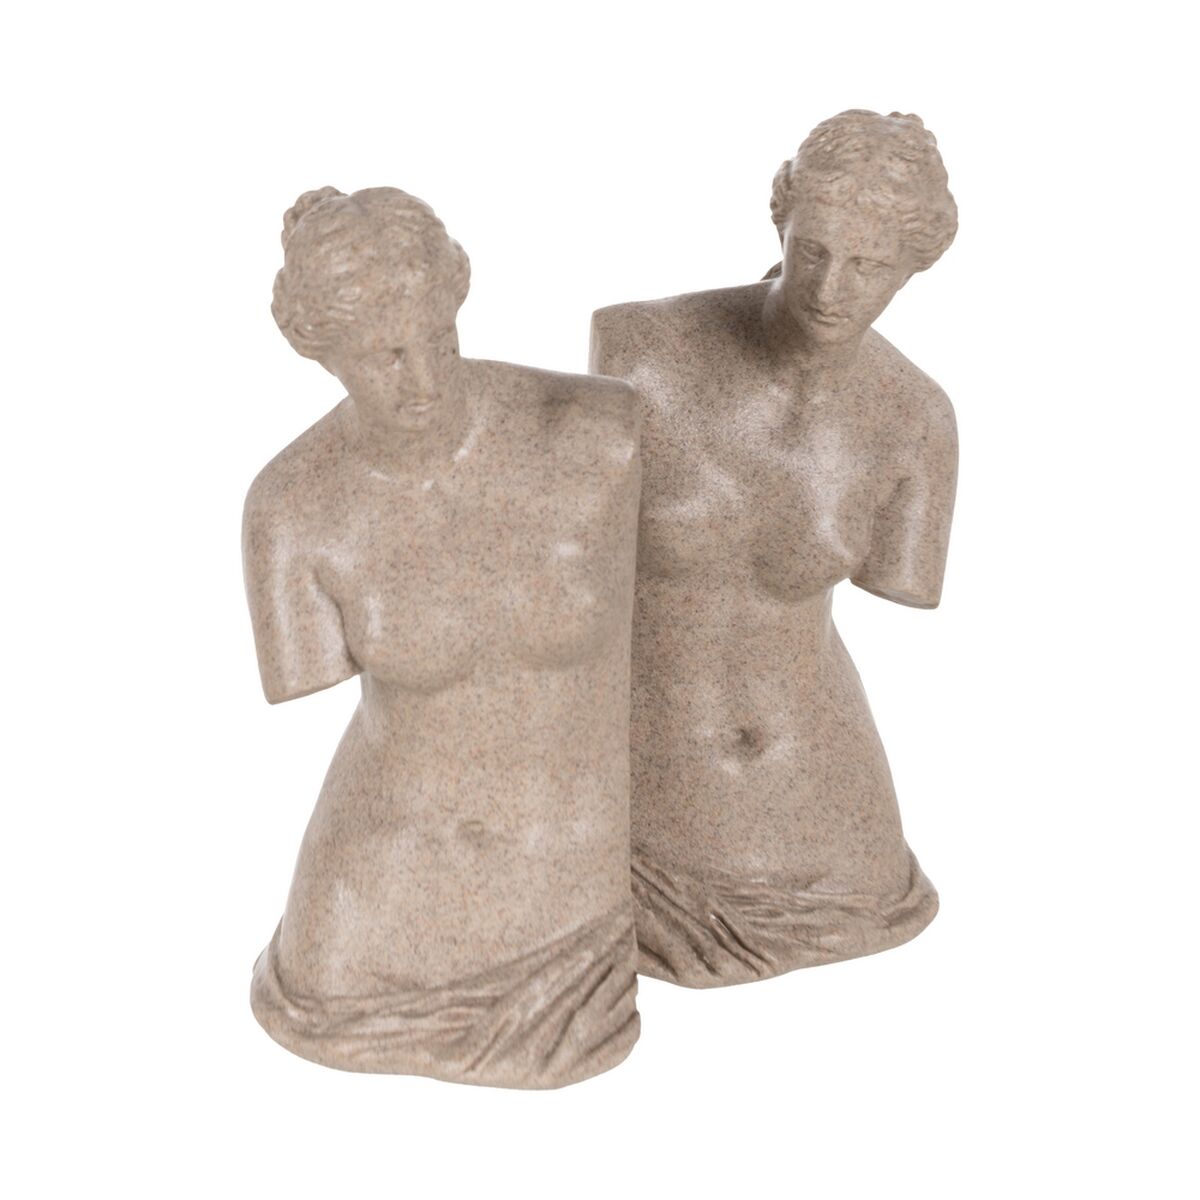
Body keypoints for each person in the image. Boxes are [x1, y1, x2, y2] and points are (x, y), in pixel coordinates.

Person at [245, 187, 642, 1085]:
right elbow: (302, 679)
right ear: (321, 352)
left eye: (441, 339)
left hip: (567, 907)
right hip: (371, 910)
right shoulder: (293, 507)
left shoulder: (596, 432)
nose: (424, 380)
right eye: (384, 357)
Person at [590, 111, 958, 987]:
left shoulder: (915, 419)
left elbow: (903, 586)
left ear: (915, 265)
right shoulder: (639, 351)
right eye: (813, 251)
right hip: (650, 810)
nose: (831, 287)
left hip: (835, 826)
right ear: (781, 223)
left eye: (869, 265)